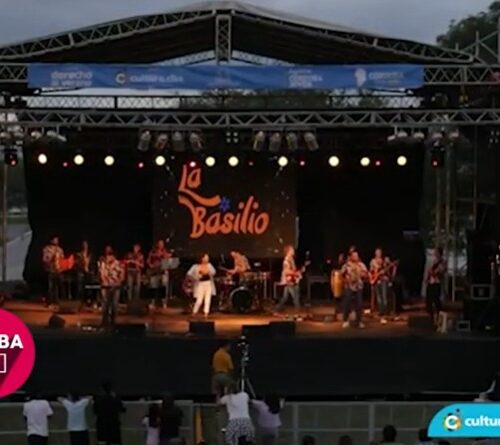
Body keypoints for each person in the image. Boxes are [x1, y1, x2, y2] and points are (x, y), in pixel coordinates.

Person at [340, 249, 368, 329]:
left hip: (358, 286)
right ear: (351, 257)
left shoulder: (361, 265)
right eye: (354, 256)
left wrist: (361, 273)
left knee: (359, 304)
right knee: (347, 303)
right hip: (349, 286)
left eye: (357, 255)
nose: (356, 257)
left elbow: (366, 275)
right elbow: (341, 275)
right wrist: (345, 280)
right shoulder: (346, 265)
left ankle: (359, 321)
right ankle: (345, 320)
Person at [99, 246, 125, 327]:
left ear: (113, 257)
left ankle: (113, 321)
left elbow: (122, 276)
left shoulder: (119, 264)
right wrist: (106, 282)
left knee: (114, 304)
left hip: (116, 287)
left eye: (109, 256)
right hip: (106, 287)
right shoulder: (103, 264)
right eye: (107, 256)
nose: (108, 258)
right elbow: (102, 275)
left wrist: (117, 282)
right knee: (105, 304)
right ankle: (104, 320)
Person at [93, 380, 126, 445]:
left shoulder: (98, 399)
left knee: (102, 442)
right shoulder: (116, 398)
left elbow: (95, 411)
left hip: (102, 425)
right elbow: (122, 409)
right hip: (114, 425)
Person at [187, 253, 216, 317]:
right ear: (202, 258)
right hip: (200, 284)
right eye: (206, 257)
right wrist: (196, 277)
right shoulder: (196, 266)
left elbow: (213, 272)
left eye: (208, 258)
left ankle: (206, 313)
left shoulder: (209, 265)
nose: (207, 259)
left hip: (208, 283)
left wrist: (208, 272)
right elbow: (189, 274)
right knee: (199, 300)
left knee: (207, 299)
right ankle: (194, 312)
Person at [275, 245, 302, 313]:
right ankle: (298, 312)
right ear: (288, 251)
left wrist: (298, 273)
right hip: (289, 281)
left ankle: (277, 308)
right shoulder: (286, 261)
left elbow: (293, 269)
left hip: (292, 280)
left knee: (285, 297)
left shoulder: (291, 259)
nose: (293, 251)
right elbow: (286, 271)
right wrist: (296, 273)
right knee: (295, 297)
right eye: (292, 250)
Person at [147, 240, 171, 308]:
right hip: (155, 271)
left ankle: (164, 303)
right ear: (157, 245)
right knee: (153, 287)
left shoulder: (165, 251)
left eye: (162, 244)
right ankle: (152, 303)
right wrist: (150, 265)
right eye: (159, 244)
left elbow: (168, 261)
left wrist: (164, 256)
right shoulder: (153, 251)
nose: (160, 245)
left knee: (164, 287)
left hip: (163, 271)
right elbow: (148, 260)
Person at [42, 236, 65, 306]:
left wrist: (62, 265)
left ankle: (57, 301)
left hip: (58, 270)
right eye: (55, 240)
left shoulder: (60, 250)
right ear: (51, 241)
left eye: (57, 240)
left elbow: (62, 259)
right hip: (50, 270)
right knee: (50, 287)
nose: (56, 241)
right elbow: (44, 259)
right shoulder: (47, 249)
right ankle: (49, 302)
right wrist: (51, 258)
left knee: (58, 286)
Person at [426, 247, 445, 324]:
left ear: (439, 253)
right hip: (431, 282)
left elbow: (439, 273)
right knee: (429, 300)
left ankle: (439, 317)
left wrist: (432, 272)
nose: (434, 253)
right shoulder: (434, 261)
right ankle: (430, 317)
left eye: (436, 252)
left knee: (436, 300)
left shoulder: (442, 262)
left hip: (437, 283)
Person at [369, 248, 389, 325]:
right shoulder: (372, 261)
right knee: (379, 297)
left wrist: (385, 271)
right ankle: (381, 311)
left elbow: (387, 271)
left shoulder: (384, 261)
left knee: (384, 296)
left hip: (383, 280)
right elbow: (371, 271)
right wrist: (373, 277)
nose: (378, 253)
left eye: (379, 252)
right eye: (377, 252)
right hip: (376, 280)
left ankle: (385, 311)